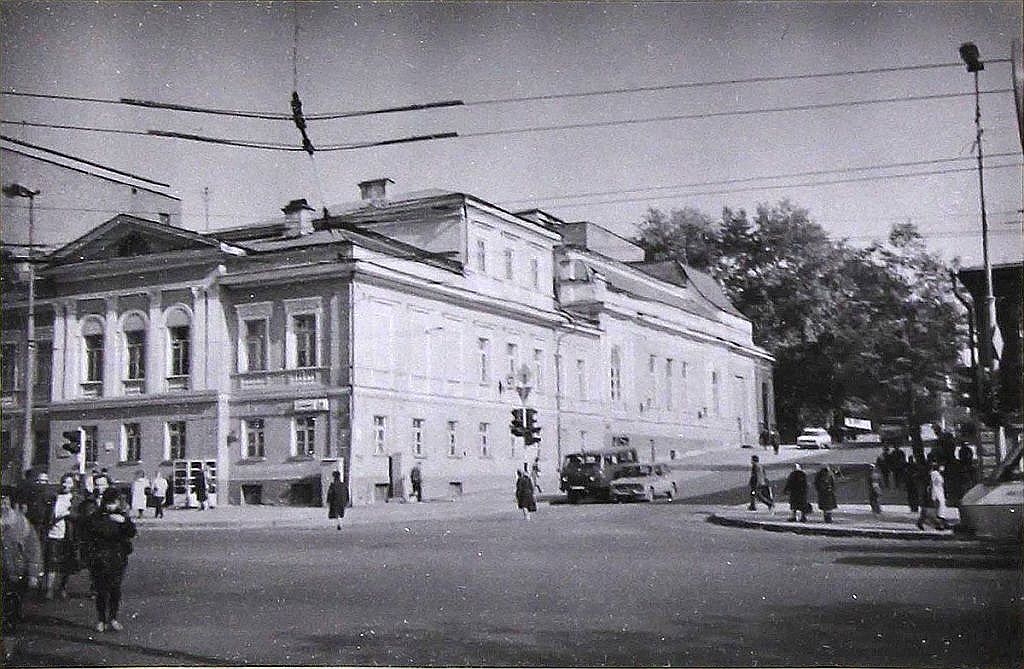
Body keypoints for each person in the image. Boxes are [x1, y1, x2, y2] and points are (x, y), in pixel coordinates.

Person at [83, 487, 136, 633]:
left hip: (117, 557)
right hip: (100, 558)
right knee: (101, 590)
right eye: (109, 503)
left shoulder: (121, 516)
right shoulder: (96, 517)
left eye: (114, 503)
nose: (111, 506)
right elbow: (88, 536)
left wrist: (124, 521)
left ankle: (113, 618)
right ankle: (101, 619)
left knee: (115, 589)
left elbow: (132, 532)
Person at [2, 489, 43, 633]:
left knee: (11, 607)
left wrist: (33, 574)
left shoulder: (21, 523)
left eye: (5, 500)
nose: (2, 505)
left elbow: (33, 549)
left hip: (15, 573)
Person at [43, 474, 82, 600]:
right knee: (51, 562)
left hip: (69, 534)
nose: (66, 485)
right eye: (64, 482)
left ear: (73, 485)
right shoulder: (54, 497)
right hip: (53, 533)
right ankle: (49, 590)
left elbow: (79, 516)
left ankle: (62, 588)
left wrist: (67, 514)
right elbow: (47, 514)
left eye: (69, 483)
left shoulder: (76, 498)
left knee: (67, 563)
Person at [918, 463, 949, 531]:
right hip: (936, 492)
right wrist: (931, 494)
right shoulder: (934, 474)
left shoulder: (938, 474)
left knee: (938, 508)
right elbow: (931, 484)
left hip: (939, 492)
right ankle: (938, 524)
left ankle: (938, 523)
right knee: (935, 508)